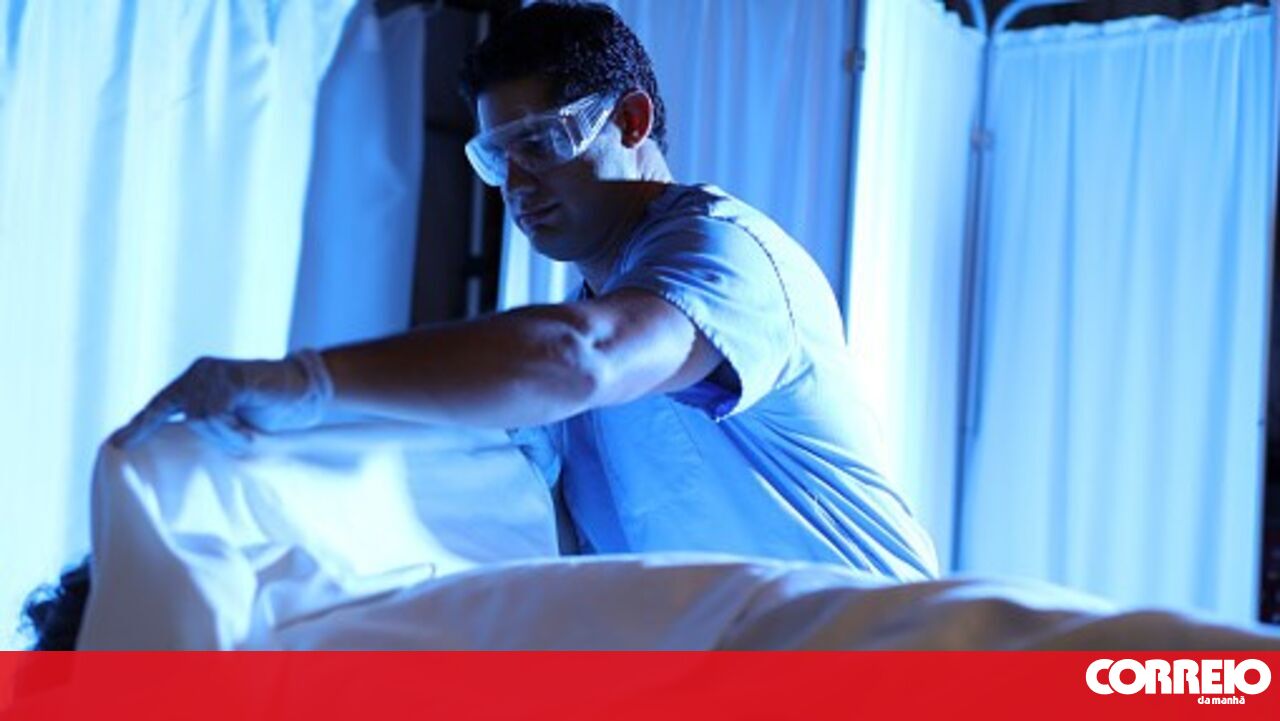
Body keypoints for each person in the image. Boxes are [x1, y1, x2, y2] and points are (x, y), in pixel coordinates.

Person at [111, 1, 937, 580]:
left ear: (632, 121)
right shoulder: (577, 370)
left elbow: (580, 357)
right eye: (496, 158)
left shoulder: (726, 256)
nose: (517, 182)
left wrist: (305, 378)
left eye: (541, 141)